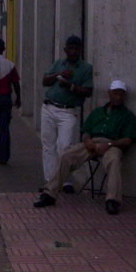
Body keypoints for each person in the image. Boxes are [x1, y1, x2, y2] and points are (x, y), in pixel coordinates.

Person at [34, 80, 136, 214]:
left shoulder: (127, 116)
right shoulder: (98, 112)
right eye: (115, 93)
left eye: (121, 94)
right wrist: (87, 140)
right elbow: (86, 131)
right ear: (109, 94)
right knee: (67, 155)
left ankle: (113, 200)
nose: (118, 97)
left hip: (111, 144)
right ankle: (50, 193)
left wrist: (109, 144)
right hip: (92, 142)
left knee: (114, 161)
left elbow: (128, 140)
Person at [40, 36, 94, 193]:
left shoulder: (86, 68)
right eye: (71, 48)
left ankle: (63, 180)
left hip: (68, 111)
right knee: (48, 145)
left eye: (77, 48)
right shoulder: (59, 64)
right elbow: (45, 81)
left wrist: (70, 86)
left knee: (64, 147)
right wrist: (58, 75)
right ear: (65, 50)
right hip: (49, 107)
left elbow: (88, 91)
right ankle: (50, 182)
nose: (74, 51)